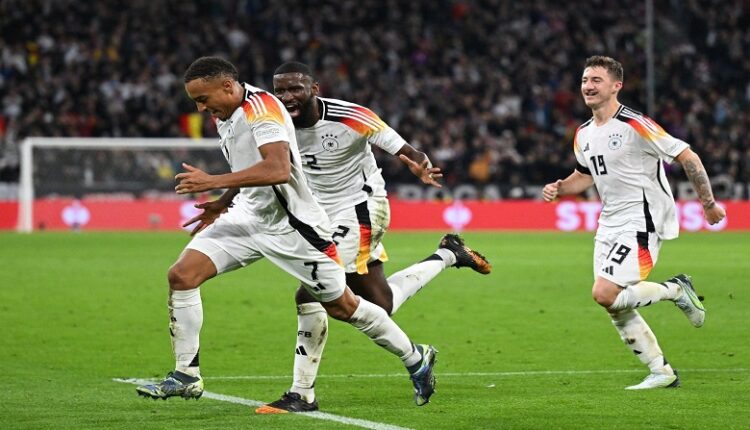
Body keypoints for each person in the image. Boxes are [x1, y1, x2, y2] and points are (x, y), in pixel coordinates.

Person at [135, 56, 438, 406]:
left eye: (203, 99)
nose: (201, 108)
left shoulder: (263, 110)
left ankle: (415, 356)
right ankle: (186, 375)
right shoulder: (225, 113)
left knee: (342, 306)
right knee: (182, 276)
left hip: (294, 226)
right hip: (249, 217)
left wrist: (214, 180)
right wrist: (223, 201)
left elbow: (278, 169)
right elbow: (249, 165)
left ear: (228, 86)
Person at [241, 62, 491, 413]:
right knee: (380, 305)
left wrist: (417, 163)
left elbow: (403, 148)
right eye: (279, 90)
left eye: (295, 88)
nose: (287, 97)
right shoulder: (273, 123)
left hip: (361, 209)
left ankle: (302, 392)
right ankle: (449, 253)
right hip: (319, 216)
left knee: (312, 290)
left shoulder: (350, 116)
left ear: (314, 88)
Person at [542, 56, 726, 390]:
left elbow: (687, 155)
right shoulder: (583, 133)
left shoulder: (635, 123)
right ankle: (661, 371)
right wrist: (560, 188)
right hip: (609, 223)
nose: (588, 86)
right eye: (584, 80)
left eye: (596, 80)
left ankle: (675, 289)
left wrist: (708, 203)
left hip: (643, 219)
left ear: (617, 86)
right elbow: (585, 176)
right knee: (613, 303)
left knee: (604, 293)